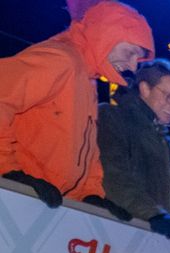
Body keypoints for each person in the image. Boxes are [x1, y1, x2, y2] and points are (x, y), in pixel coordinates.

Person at [0, 1, 153, 214]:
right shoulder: (61, 60)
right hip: (14, 196)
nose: (133, 65)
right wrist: (8, 171)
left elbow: (85, 151)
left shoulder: (87, 79)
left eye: (139, 58)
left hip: (42, 202)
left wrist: (89, 195)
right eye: (130, 53)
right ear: (105, 35)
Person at [98, 59, 170, 240]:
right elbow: (115, 177)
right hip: (114, 234)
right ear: (145, 89)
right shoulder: (112, 118)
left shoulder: (168, 144)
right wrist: (153, 214)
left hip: (153, 240)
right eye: (169, 97)